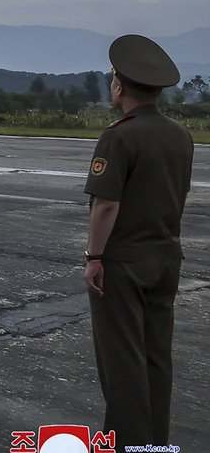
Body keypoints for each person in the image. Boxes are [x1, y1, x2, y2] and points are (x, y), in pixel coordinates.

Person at [83, 34, 192, 447]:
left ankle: (128, 443)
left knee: (123, 363)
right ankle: (153, 443)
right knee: (155, 360)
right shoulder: (179, 134)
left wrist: (94, 256)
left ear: (119, 85)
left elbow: (106, 204)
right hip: (166, 257)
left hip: (124, 263)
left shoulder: (119, 136)